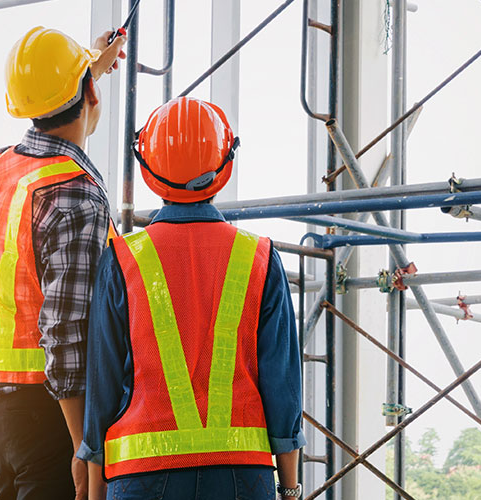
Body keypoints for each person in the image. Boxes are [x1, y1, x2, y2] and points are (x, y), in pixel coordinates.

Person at [79, 96, 306, 500]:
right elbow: (282, 387)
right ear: (224, 165)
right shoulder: (259, 258)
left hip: (142, 476)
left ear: (149, 171)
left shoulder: (123, 260)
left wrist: (95, 485)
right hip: (241, 478)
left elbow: (103, 385)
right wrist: (290, 489)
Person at [0, 26, 126, 500]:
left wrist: (89, 66)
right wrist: (84, 448)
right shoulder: (75, 193)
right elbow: (66, 330)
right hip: (52, 415)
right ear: (92, 92)